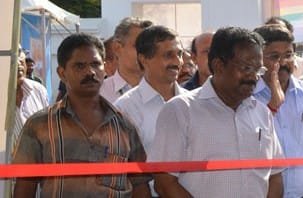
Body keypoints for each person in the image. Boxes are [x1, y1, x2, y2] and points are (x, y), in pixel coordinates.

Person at [149, 27, 284, 198]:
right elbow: (164, 182)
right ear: (219, 66)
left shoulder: (262, 113)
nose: (254, 77)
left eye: (258, 70)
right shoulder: (180, 111)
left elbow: (275, 175)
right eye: (247, 68)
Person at [12, 33, 151, 197]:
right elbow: (24, 187)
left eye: (95, 64)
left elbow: (140, 186)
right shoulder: (39, 125)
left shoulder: (124, 126)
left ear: (104, 68)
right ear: (62, 73)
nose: (90, 72)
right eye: (80, 66)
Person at [113, 25, 190, 197]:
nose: (177, 62)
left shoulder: (195, 103)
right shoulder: (125, 108)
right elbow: (124, 172)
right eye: (168, 55)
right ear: (144, 59)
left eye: (179, 54)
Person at [252, 24, 303, 198]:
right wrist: (272, 108)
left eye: (288, 55)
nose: (284, 62)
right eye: (274, 57)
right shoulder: (247, 96)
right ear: (258, 59)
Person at [100, 17, 153, 102]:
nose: (147, 52)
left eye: (151, 47)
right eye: (140, 46)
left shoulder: (166, 92)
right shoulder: (99, 94)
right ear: (117, 48)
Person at [10, 48, 49, 152]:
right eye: (13, 62)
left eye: (21, 60)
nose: (18, 63)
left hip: (36, 164)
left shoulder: (38, 90)